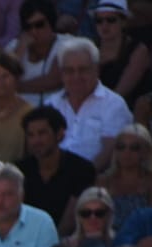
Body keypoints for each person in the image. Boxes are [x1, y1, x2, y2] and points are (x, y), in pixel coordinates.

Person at [45, 39, 132, 170]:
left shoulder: (114, 105)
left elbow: (110, 152)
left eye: (83, 70)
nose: (76, 76)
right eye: (69, 71)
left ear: (96, 70)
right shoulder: (51, 104)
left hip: (94, 180)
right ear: (62, 74)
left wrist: (85, 177)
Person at [18, 105, 98, 234]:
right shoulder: (18, 171)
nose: (36, 140)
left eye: (42, 133)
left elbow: (72, 218)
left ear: (60, 134)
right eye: (31, 135)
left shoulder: (82, 169)